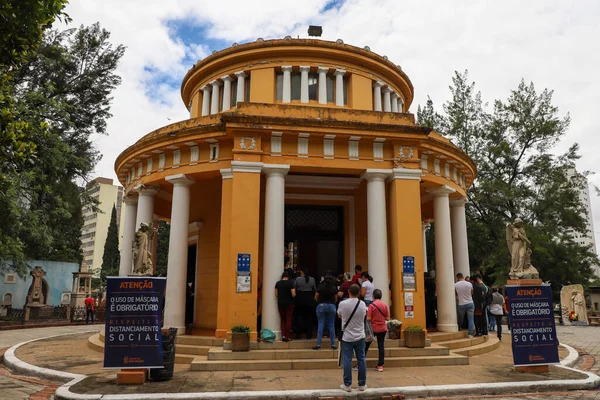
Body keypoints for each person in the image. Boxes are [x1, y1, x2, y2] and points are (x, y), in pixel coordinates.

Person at [338, 284, 368, 392]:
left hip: (347, 336)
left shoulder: (343, 304)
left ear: (349, 292)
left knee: (347, 359)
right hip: (360, 335)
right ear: (359, 293)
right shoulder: (363, 304)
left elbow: (339, 315)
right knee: (361, 359)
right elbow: (364, 315)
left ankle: (347, 385)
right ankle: (362, 384)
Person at [365, 289, 389, 372]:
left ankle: (360, 363)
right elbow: (387, 318)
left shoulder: (372, 306)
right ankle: (380, 365)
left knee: (366, 344)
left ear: (373, 296)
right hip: (383, 328)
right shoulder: (385, 305)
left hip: (373, 328)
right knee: (381, 346)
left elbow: (368, 318)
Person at [313, 270, 338, 350]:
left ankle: (318, 344)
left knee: (321, 325)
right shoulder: (334, 288)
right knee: (331, 325)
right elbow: (336, 299)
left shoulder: (320, 286)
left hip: (321, 305)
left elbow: (315, 297)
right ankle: (333, 345)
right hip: (331, 306)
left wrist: (320, 303)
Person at [294, 268, 316, 339]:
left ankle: (298, 334)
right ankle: (309, 334)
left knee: (299, 317)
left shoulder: (298, 279)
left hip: (300, 298)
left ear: (302, 272)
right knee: (309, 317)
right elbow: (314, 289)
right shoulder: (312, 279)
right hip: (309, 298)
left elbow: (295, 287)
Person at [275, 269, 296, 342]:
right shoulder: (291, 283)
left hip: (280, 303)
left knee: (282, 319)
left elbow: (276, 294)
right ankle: (288, 336)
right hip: (289, 303)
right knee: (288, 319)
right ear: (288, 277)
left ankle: (283, 335)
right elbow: (293, 294)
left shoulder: (278, 283)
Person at [454, 273, 474, 338]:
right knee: (471, 319)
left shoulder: (456, 285)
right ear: (463, 276)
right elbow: (471, 293)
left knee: (460, 318)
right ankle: (470, 334)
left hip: (461, 303)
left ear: (457, 278)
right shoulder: (469, 284)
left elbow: (456, 293)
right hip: (470, 302)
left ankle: (460, 326)